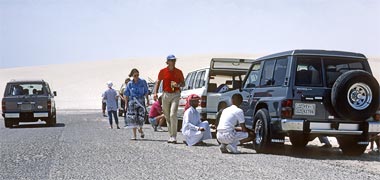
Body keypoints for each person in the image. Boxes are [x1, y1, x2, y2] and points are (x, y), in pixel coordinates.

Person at [153, 54, 185, 144]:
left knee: (172, 114)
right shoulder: (163, 71)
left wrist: (177, 85)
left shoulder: (179, 72)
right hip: (166, 94)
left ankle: (174, 136)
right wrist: (155, 93)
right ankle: (171, 135)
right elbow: (158, 81)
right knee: (167, 116)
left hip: (176, 94)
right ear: (168, 62)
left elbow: (183, 83)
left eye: (174, 60)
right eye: (171, 60)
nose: (173, 62)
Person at [124, 68, 149, 140]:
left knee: (141, 118)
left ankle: (140, 130)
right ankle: (134, 135)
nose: (137, 77)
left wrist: (147, 100)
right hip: (132, 102)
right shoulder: (129, 84)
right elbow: (126, 94)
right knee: (133, 119)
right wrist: (126, 105)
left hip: (141, 101)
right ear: (132, 76)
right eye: (135, 75)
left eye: (138, 75)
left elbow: (146, 91)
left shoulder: (143, 82)